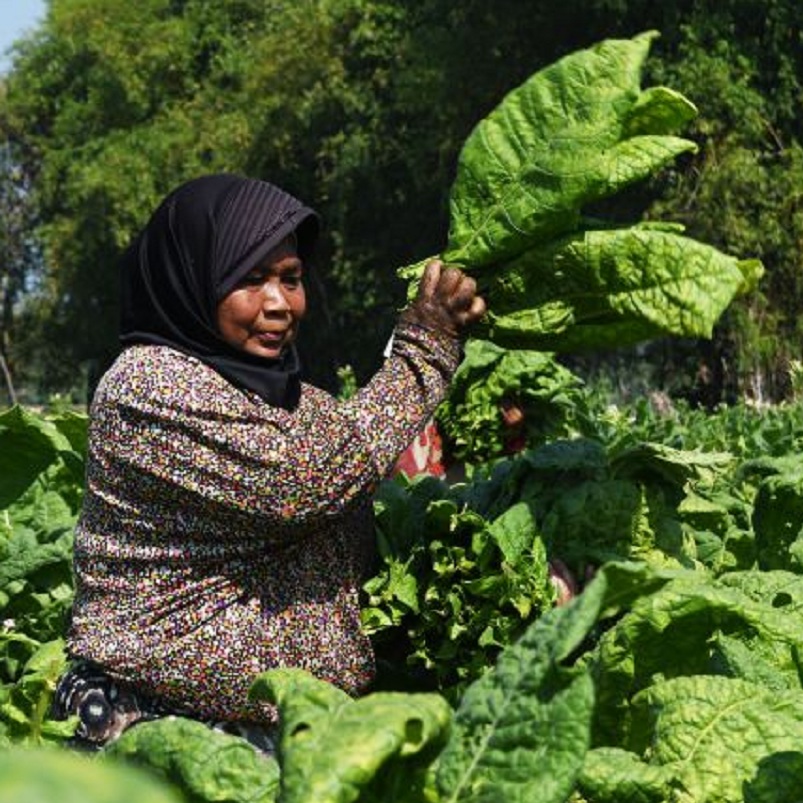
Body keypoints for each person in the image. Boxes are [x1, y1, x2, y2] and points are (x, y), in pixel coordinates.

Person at [51, 173, 485, 751]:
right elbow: (306, 482)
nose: (279, 304)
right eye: (249, 280)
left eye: (291, 279)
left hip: (286, 736)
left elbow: (349, 467)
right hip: (157, 731)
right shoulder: (149, 386)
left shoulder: (293, 401)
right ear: (192, 282)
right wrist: (423, 351)